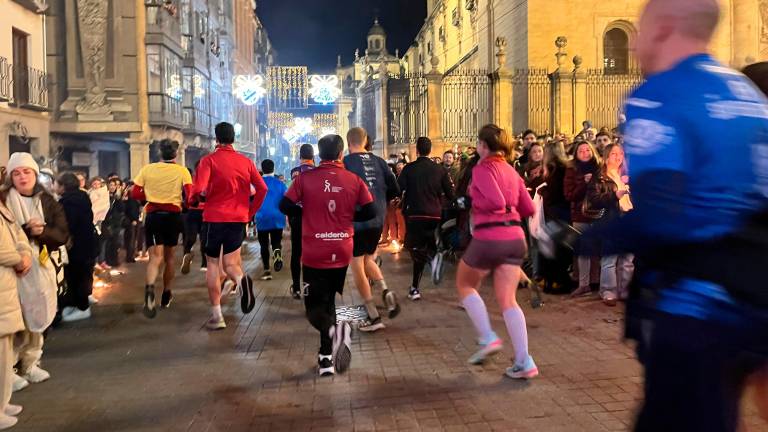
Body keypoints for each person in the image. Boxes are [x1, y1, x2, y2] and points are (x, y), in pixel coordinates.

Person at [581, 0, 768, 429]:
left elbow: (664, 214)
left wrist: (586, 238)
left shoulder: (660, 95)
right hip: (753, 302)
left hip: (694, 308)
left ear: (663, 28)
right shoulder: (746, 93)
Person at [279, 134, 375, 376]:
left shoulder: (304, 179)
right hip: (342, 249)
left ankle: (335, 333)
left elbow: (284, 205)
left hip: (314, 251)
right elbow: (370, 210)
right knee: (329, 301)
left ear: (320, 155)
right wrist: (347, 218)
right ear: (341, 154)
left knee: (313, 309)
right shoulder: (353, 179)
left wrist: (305, 213)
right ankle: (325, 358)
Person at [456, 124, 538, 379]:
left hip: (490, 235)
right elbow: (528, 208)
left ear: (483, 145)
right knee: (508, 301)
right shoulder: (512, 171)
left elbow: (495, 201)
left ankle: (487, 337)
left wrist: (471, 201)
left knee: (465, 284)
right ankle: (524, 361)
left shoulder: (482, 168)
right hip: (515, 238)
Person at [1, 153, 69, 392]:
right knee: (14, 319)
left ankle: (31, 362)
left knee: (38, 314)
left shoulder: (48, 200)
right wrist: (25, 230)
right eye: (16, 173)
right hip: (11, 269)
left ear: (34, 174)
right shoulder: (3, 200)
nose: (22, 177)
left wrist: (42, 232)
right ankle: (8, 368)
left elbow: (62, 234)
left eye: (26, 172)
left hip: (41, 267)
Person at [191, 122, 267, 330]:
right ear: (234, 139)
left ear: (216, 139)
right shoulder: (246, 162)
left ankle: (217, 316)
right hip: (237, 219)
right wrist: (249, 212)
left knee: (213, 265)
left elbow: (198, 188)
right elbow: (262, 188)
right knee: (232, 264)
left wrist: (194, 199)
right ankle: (241, 281)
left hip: (214, 219)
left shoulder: (208, 161)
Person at [343, 127, 401, 332]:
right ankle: (385, 290)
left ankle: (373, 316)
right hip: (377, 220)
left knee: (357, 265)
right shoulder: (380, 162)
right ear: (366, 140)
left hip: (357, 221)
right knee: (369, 258)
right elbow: (395, 189)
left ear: (349, 143)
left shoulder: (346, 163)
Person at [131, 139, 193, 318]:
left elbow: (135, 192)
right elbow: (189, 195)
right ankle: (166, 293)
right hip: (173, 216)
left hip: (153, 216)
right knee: (170, 258)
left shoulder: (147, 169)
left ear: (159, 152)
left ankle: (149, 291)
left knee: (154, 258)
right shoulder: (182, 171)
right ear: (175, 154)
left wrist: (149, 197)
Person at [397, 137, 455, 300]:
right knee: (425, 245)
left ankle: (416, 286)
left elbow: (398, 187)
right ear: (430, 150)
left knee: (414, 248)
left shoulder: (409, 168)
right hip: (434, 214)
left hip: (414, 214)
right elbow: (451, 194)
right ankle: (432, 260)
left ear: (417, 150)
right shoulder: (440, 170)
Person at [584, 144, 634, 306]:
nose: (618, 157)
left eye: (620, 153)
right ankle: (608, 291)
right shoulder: (599, 177)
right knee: (609, 259)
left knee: (627, 259)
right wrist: (614, 195)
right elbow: (595, 200)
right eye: (613, 154)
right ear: (605, 158)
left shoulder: (626, 175)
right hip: (610, 221)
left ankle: (625, 290)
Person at [0, 195, 31, 429]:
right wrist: (18, 259)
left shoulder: (3, 205)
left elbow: (18, 234)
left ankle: (3, 401)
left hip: (7, 284)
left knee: (6, 347)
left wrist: (25, 254)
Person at [57, 172, 99, 322]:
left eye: (57, 183)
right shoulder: (82, 197)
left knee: (77, 275)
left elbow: (69, 224)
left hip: (77, 245)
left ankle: (82, 308)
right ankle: (77, 304)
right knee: (82, 274)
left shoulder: (68, 202)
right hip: (86, 243)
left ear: (63, 186)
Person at [564, 141, 602, 297]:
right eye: (581, 151)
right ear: (576, 154)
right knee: (582, 251)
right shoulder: (571, 170)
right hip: (580, 215)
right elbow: (569, 195)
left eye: (588, 150)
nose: (585, 153)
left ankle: (595, 282)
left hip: (599, 214)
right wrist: (584, 184)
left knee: (596, 251)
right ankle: (583, 284)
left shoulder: (600, 168)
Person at [287, 144, 315, 299]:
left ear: (300, 157)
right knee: (311, 253)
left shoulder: (294, 172)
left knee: (296, 253)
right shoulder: (318, 171)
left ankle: (296, 288)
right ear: (313, 157)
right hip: (314, 218)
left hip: (297, 217)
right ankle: (309, 286)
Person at [255, 159, 287, 281]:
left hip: (262, 217)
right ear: (273, 169)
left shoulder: (258, 183)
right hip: (277, 217)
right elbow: (286, 200)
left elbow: (251, 199)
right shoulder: (280, 184)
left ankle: (267, 270)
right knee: (276, 241)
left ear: (262, 169)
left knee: (263, 244)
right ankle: (277, 255)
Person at [182, 163, 207, 272]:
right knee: (203, 239)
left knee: (192, 238)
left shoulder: (191, 180)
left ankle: (187, 254)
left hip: (193, 211)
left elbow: (188, 197)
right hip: (203, 212)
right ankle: (204, 263)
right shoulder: (209, 179)